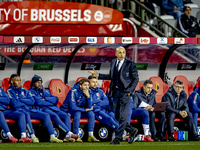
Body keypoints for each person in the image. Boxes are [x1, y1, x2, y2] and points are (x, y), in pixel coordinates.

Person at [88, 46, 139, 145]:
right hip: (115, 93)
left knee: (123, 117)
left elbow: (135, 79)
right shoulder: (113, 62)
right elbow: (111, 76)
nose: (122, 54)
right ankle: (132, 130)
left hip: (125, 93)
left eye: (123, 52)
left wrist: (129, 91)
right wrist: (98, 75)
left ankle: (117, 138)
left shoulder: (130, 64)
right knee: (117, 116)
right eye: (119, 52)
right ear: (116, 54)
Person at [7, 74, 63, 143]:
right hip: (19, 111)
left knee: (46, 115)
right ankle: (32, 136)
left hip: (30, 110)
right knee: (25, 114)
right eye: (17, 80)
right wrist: (26, 101)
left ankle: (52, 137)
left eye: (20, 80)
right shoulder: (9, 91)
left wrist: (21, 100)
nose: (19, 82)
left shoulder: (24, 91)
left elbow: (32, 101)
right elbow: (14, 104)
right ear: (12, 82)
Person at [29, 75, 79, 142]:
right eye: (37, 82)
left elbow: (55, 99)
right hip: (43, 109)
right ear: (33, 83)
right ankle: (68, 133)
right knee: (54, 116)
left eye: (41, 82)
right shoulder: (31, 92)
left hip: (53, 108)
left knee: (66, 116)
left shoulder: (46, 91)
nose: (39, 84)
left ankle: (67, 137)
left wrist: (45, 99)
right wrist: (49, 102)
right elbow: (38, 102)